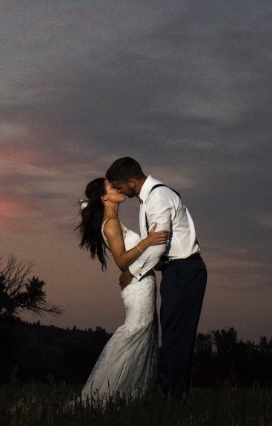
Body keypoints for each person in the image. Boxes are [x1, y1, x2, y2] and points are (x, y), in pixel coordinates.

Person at [106, 156, 206, 399]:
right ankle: (174, 393)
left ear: (131, 181)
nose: (118, 191)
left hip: (184, 270)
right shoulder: (149, 199)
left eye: (119, 186)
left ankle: (174, 396)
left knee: (176, 335)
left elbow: (159, 245)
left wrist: (132, 272)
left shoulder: (158, 198)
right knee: (174, 333)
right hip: (176, 271)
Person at [75, 176, 170, 403]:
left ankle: (128, 395)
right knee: (133, 334)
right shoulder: (110, 223)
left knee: (143, 336)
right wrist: (147, 241)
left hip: (142, 285)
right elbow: (121, 261)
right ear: (104, 197)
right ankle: (103, 395)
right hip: (137, 287)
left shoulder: (113, 220)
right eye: (112, 186)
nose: (118, 188)